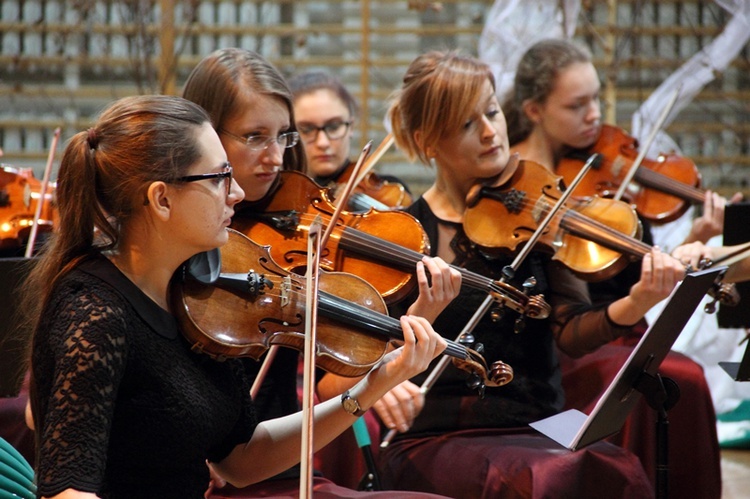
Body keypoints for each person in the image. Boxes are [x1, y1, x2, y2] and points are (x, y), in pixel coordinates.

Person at [23, 94, 448, 499]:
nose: (238, 194)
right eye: (219, 177)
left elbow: (241, 459)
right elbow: (67, 489)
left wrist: (374, 385)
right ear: (161, 198)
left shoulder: (198, 297)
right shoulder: (93, 313)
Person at [371, 48, 688, 498]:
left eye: (493, 112)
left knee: (617, 469)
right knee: (543, 479)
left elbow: (570, 329)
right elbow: (371, 346)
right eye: (467, 124)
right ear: (428, 141)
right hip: (441, 435)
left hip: (541, 424)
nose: (490, 132)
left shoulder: (539, 217)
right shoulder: (406, 235)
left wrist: (637, 302)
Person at [183, 48, 461, 496]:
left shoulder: (297, 240)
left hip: (275, 465)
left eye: (282, 137)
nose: (275, 157)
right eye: (255, 136)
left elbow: (327, 385)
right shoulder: (184, 247)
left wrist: (415, 321)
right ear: (207, 136)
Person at [504, 38, 722, 498]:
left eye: (597, 99)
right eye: (577, 104)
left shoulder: (602, 175)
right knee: (668, 378)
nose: (594, 116)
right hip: (560, 344)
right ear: (535, 109)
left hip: (621, 329)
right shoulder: (515, 180)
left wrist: (692, 242)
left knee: (689, 377)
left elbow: (622, 268)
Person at [289, 70, 412, 211]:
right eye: (307, 129)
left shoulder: (387, 191)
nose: (323, 143)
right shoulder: (283, 200)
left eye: (334, 127)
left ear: (351, 126)